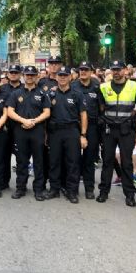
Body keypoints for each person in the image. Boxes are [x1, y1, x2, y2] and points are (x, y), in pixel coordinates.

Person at [96, 60, 136, 207]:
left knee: (127, 162)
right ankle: (104, 192)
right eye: (113, 69)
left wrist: (131, 116)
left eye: (119, 69)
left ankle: (130, 194)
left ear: (125, 70)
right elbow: (101, 106)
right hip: (109, 129)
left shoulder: (134, 86)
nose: (116, 72)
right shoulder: (103, 87)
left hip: (126, 129)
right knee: (107, 161)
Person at [6, 65, 50, 201]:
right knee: (21, 161)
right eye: (27, 75)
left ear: (36, 76)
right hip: (21, 130)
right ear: (23, 76)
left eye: (32, 75)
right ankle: (21, 188)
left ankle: (38, 189)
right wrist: (23, 120)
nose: (29, 77)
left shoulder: (43, 93)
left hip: (37, 131)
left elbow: (47, 112)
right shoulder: (16, 93)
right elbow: (10, 111)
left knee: (39, 161)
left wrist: (34, 121)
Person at [46, 66, 88, 203]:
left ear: (70, 77)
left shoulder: (77, 94)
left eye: (65, 75)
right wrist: (46, 135)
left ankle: (72, 191)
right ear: (56, 77)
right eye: (60, 75)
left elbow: (83, 115)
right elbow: (46, 115)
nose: (63, 78)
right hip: (55, 132)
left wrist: (83, 135)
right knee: (54, 162)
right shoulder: (50, 94)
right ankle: (54, 189)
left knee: (73, 162)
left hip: (72, 132)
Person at [71, 61, 100, 199]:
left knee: (89, 159)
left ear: (91, 71)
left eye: (86, 69)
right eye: (81, 69)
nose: (83, 72)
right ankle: (73, 188)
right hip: (75, 126)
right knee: (74, 159)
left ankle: (89, 188)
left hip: (93, 127)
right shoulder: (73, 86)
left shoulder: (97, 86)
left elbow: (102, 107)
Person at [0, 64, 23, 190]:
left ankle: (21, 183)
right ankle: (4, 181)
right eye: (11, 72)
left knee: (21, 156)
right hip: (5, 126)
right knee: (4, 155)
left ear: (20, 74)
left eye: (16, 72)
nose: (13, 74)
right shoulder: (2, 88)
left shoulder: (25, 88)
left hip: (20, 126)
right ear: (8, 74)